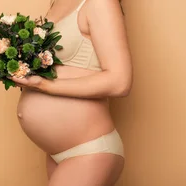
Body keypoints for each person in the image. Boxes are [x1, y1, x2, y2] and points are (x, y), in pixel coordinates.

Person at [9, 0, 132, 185]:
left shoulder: (100, 2)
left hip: (88, 151)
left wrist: (44, 85)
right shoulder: (59, 2)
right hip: (57, 152)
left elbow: (120, 82)